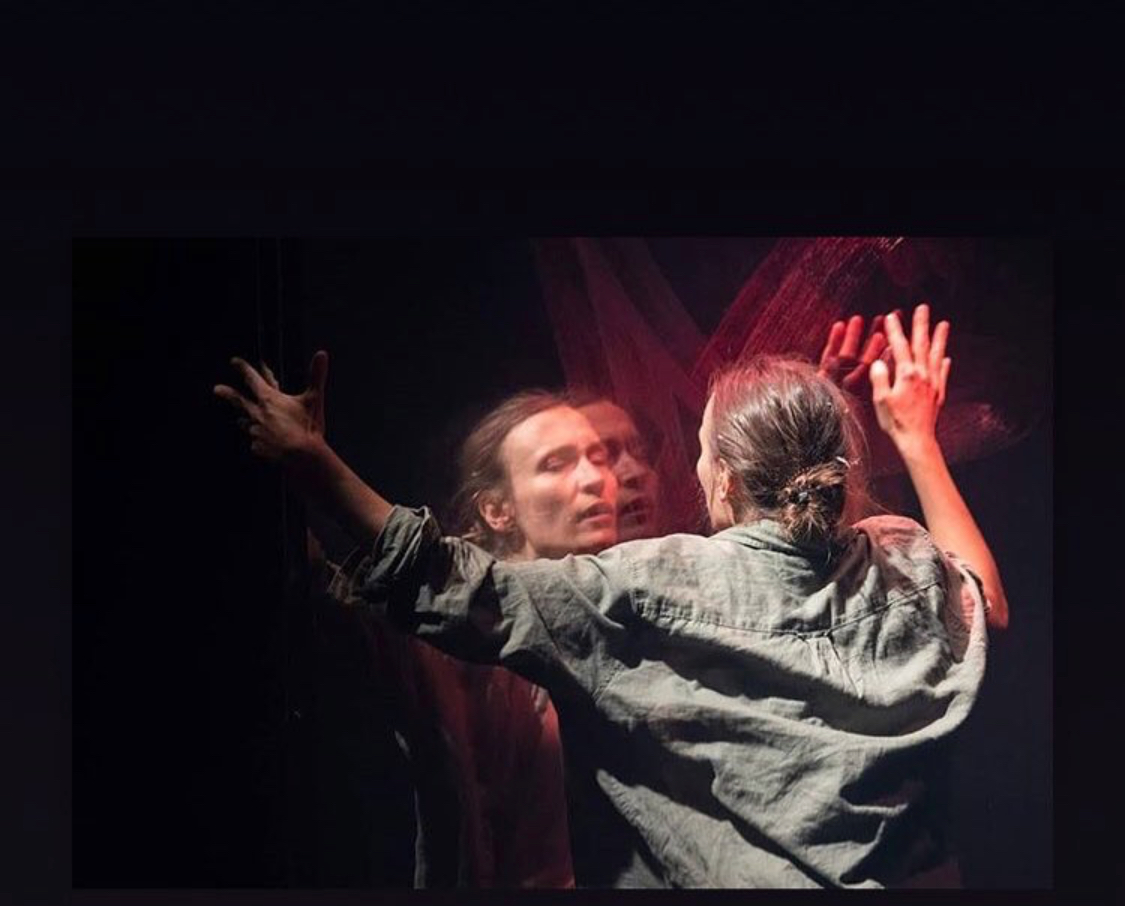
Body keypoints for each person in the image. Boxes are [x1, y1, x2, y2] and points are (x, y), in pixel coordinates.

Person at [216, 304, 1008, 887]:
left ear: (720, 478)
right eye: (562, 462)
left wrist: (314, 462)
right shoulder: (593, 608)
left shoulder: (653, 592)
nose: (607, 475)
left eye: (622, 452)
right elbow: (407, 583)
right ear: (495, 508)